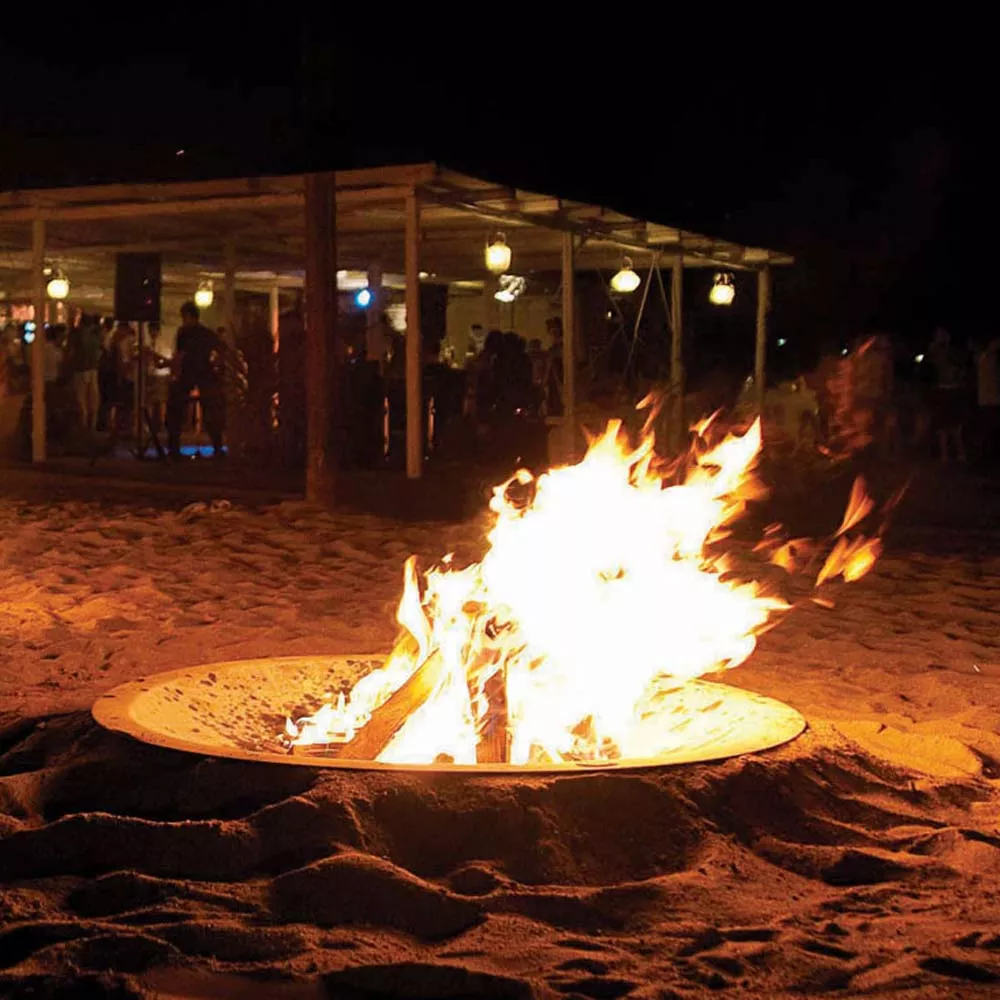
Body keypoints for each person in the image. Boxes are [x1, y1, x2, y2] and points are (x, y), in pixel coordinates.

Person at [166, 301, 227, 460]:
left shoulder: (188, 333)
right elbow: (221, 349)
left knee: (179, 408)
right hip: (201, 374)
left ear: (189, 316)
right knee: (209, 410)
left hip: (194, 373)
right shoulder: (204, 333)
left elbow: (181, 355)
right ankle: (217, 447)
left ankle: (175, 447)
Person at [927, 326, 968, 464]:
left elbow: (960, 370)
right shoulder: (936, 351)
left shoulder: (953, 353)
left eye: (943, 334)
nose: (942, 337)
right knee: (943, 426)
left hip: (953, 391)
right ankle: (945, 455)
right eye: (939, 335)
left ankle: (960, 454)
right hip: (943, 392)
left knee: (955, 427)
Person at [66, 313, 103, 431]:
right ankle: (92, 426)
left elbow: (70, 352)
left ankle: (84, 426)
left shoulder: (77, 334)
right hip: (93, 369)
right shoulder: (96, 335)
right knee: (93, 400)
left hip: (80, 370)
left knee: (81, 400)